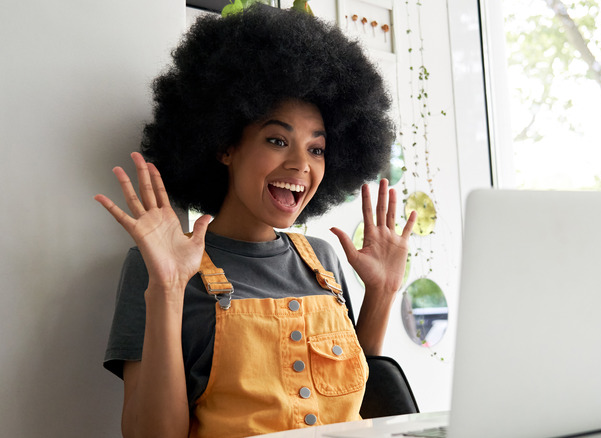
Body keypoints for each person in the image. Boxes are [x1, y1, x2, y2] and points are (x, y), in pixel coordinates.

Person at [94, 5, 416, 438]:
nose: (301, 164)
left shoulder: (322, 261)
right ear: (225, 146)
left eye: (316, 149)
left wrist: (381, 293)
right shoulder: (155, 267)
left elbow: (354, 400)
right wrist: (168, 288)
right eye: (277, 140)